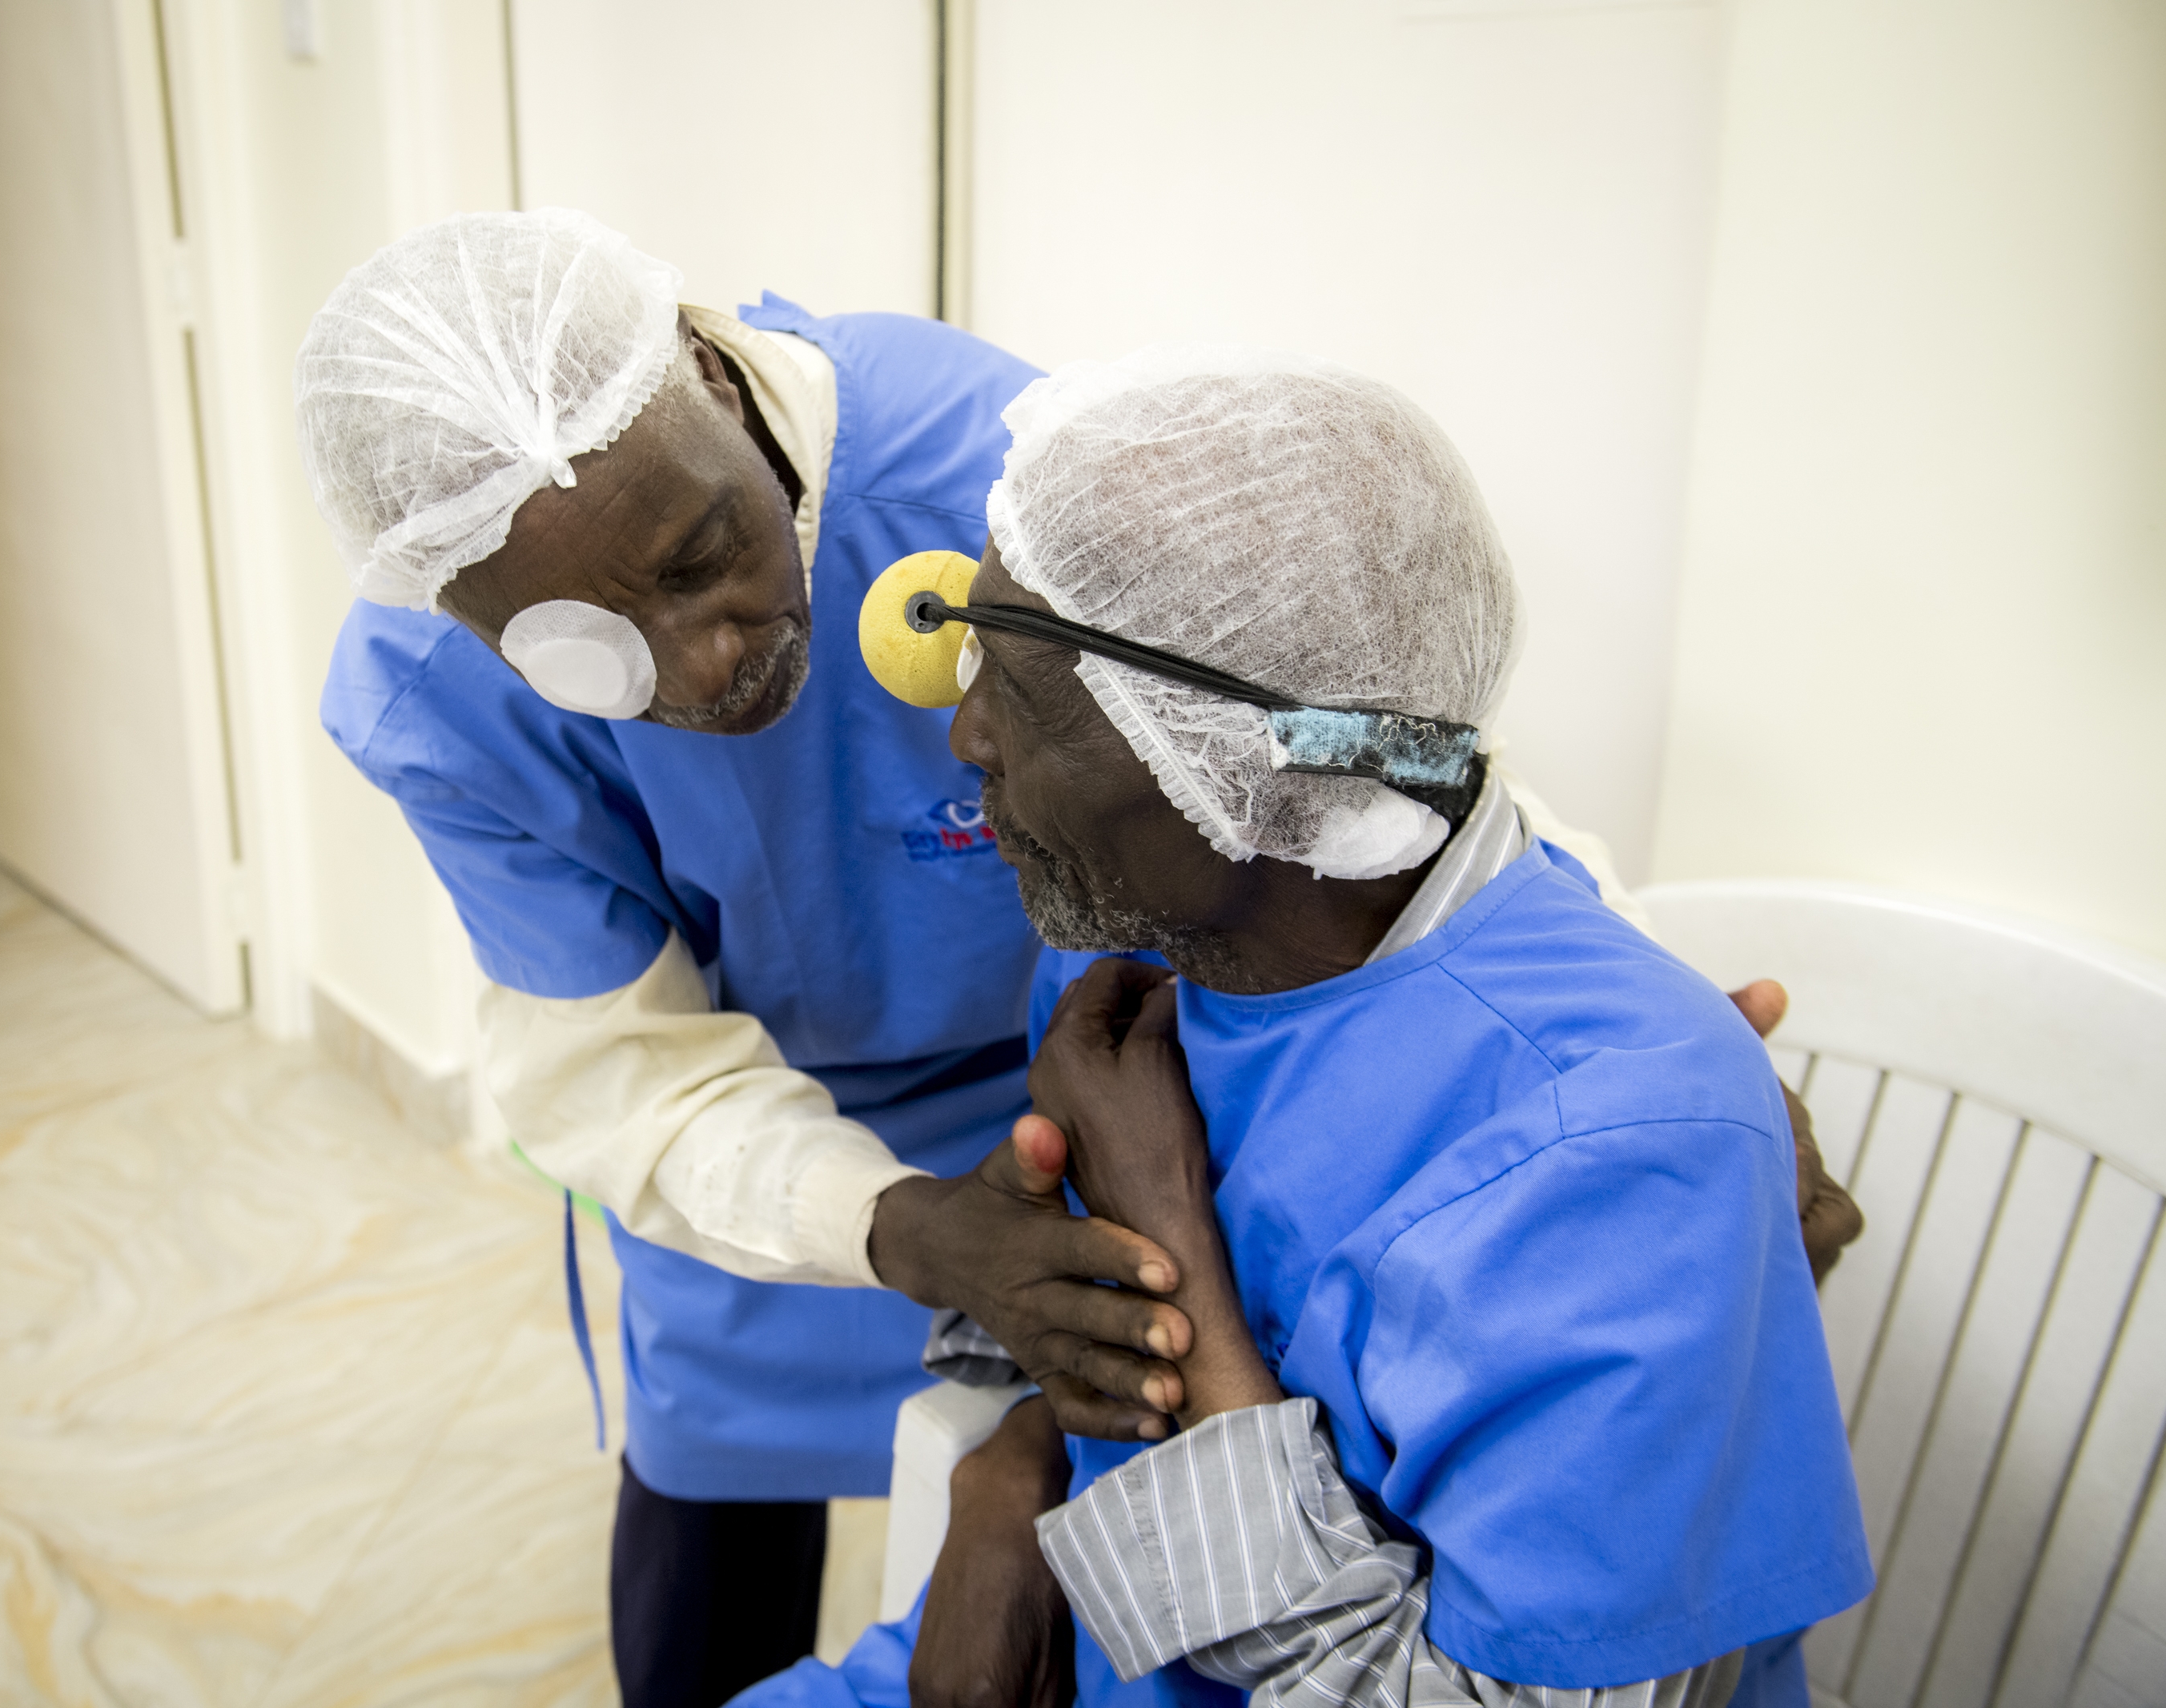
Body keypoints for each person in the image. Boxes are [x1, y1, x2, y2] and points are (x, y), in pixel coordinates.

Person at [295, 212, 1860, 1708]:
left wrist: (1663, 1031)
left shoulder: (1021, 504)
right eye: (591, 652)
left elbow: (1362, 708)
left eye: (707, 553)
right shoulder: (1122, 992)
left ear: (714, 370)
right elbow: (616, 1071)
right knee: (707, 1551)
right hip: (850, 1143)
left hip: (1096, 1182)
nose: (704, 658)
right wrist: (1016, 1460)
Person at [738, 349, 1871, 1708]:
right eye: (976, 648)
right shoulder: (1138, 951)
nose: (966, 731)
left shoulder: (1622, 1148)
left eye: (1028, 698)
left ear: (1254, 769)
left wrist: (1170, 1231)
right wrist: (1013, 1472)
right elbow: (1082, 1356)